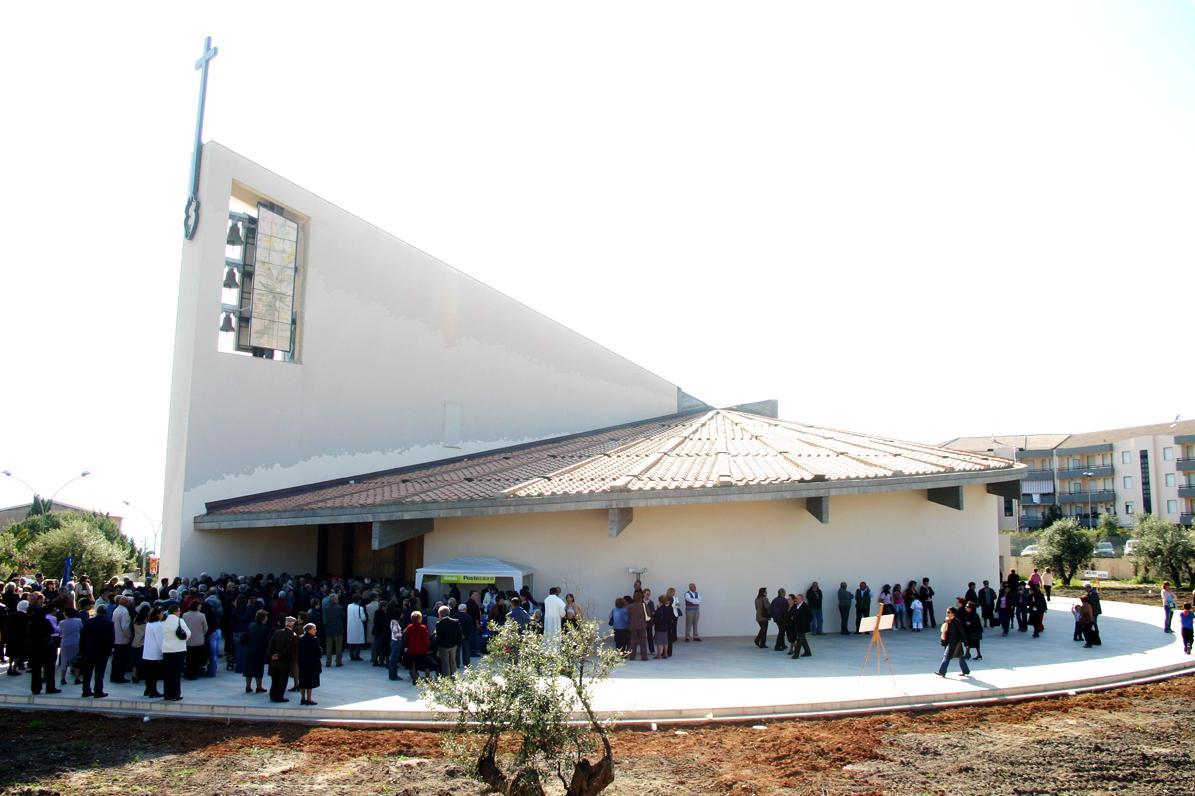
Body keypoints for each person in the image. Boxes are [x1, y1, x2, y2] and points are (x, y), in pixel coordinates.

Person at [79, 604, 115, 698]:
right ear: (105, 613)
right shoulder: (109, 624)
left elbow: (82, 637)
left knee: (87, 672)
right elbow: (111, 639)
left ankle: (86, 690)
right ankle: (98, 691)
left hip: (89, 650)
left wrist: (81, 650)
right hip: (102, 651)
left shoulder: (88, 622)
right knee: (99, 672)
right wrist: (109, 651)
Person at [161, 601, 191, 701]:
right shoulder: (180, 621)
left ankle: (167, 694)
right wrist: (183, 641)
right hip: (179, 649)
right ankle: (175, 694)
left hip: (166, 649)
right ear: (174, 612)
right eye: (179, 611)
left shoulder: (163, 622)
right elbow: (188, 633)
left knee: (167, 672)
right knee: (176, 673)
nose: (180, 612)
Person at [267, 616, 297, 702]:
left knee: (274, 680)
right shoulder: (292, 634)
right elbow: (288, 649)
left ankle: (272, 696)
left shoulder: (277, 632)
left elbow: (270, 645)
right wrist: (279, 655)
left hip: (274, 661)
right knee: (282, 680)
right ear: (292, 625)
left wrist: (272, 655)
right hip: (284, 661)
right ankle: (279, 697)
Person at [936, 607, 971, 678]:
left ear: (953, 613)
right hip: (950, 642)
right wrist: (943, 641)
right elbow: (945, 632)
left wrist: (966, 643)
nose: (947, 613)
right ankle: (966, 671)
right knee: (960, 657)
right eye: (947, 612)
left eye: (949, 612)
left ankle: (942, 672)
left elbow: (962, 633)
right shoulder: (947, 621)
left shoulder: (956, 621)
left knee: (946, 657)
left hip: (955, 642)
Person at [244, 609, 271, 694]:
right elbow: (266, 641)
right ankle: (259, 687)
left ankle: (248, 686)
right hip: (259, 651)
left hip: (249, 649)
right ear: (263, 618)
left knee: (248, 669)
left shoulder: (251, 625)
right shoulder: (265, 629)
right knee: (258, 669)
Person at [141, 605, 165, 698]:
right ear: (157, 614)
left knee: (148, 673)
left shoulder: (149, 624)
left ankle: (148, 689)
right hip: (155, 653)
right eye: (161, 613)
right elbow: (160, 640)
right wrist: (164, 651)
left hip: (147, 652)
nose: (163, 615)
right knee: (154, 674)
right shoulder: (158, 625)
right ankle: (153, 691)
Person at [403, 611, 433, 685]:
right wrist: (428, 648)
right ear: (419, 618)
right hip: (422, 650)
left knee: (413, 665)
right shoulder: (423, 627)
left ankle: (415, 680)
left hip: (412, 650)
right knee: (426, 664)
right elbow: (425, 640)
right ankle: (428, 678)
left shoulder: (409, 627)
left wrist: (406, 646)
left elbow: (404, 635)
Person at [296, 622, 322, 706]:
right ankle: (309, 699)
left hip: (302, 663)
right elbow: (318, 652)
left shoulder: (300, 638)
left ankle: (303, 698)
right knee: (310, 682)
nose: (316, 631)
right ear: (309, 630)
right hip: (312, 663)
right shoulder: (313, 639)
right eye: (314, 629)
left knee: (303, 681)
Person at [183, 601, 208, 680]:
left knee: (189, 657)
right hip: (198, 640)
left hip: (188, 639)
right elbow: (205, 628)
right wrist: (202, 633)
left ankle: (188, 672)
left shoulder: (185, 615)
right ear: (197, 606)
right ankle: (195, 673)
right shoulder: (202, 615)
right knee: (196, 657)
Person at [110, 596, 133, 684]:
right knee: (122, 659)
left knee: (116, 659)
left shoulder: (116, 610)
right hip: (123, 639)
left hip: (116, 637)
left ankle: (114, 675)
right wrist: (129, 636)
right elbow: (125, 627)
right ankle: (119, 677)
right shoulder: (124, 612)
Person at [57, 608, 83, 687]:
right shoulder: (79, 621)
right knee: (75, 660)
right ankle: (77, 678)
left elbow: (60, 633)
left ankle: (63, 678)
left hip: (65, 642)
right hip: (76, 642)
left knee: (64, 660)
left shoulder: (62, 622)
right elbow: (81, 629)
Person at [434, 605, 461, 677]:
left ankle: (447, 678)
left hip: (443, 646)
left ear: (440, 614)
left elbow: (438, 637)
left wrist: (438, 646)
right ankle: (454, 677)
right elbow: (459, 634)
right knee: (453, 661)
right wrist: (457, 643)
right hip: (453, 645)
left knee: (445, 663)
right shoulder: (456, 621)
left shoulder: (439, 623)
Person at [323, 594, 346, 667]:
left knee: (328, 647)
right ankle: (338, 662)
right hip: (338, 629)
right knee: (338, 647)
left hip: (329, 629)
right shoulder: (339, 608)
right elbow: (343, 617)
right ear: (335, 600)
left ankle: (328, 662)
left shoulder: (326, 608)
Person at [788, 593, 813, 659]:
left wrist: (805, 622)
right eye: (796, 598)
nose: (796, 599)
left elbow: (810, 616)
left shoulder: (805, 606)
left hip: (802, 626)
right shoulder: (796, 606)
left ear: (801, 599)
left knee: (799, 640)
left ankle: (796, 654)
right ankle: (808, 652)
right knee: (803, 639)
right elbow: (794, 614)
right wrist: (793, 617)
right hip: (798, 625)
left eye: (797, 598)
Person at [627, 590, 650, 661]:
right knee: (643, 642)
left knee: (633, 641)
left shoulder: (630, 606)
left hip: (633, 625)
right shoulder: (644, 605)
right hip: (642, 625)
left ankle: (632, 657)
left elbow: (628, 616)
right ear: (641, 598)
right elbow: (648, 615)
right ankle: (644, 657)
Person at [346, 596, 367, 661]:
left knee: (351, 641)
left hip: (350, 625)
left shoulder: (349, 606)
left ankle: (352, 656)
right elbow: (363, 618)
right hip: (358, 626)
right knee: (358, 642)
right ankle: (357, 656)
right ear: (359, 601)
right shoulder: (360, 608)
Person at [388, 605, 405, 681]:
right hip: (396, 642)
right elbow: (396, 633)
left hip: (394, 641)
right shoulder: (395, 623)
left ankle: (393, 675)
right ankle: (393, 675)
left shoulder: (394, 621)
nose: (402, 615)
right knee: (394, 659)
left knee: (393, 659)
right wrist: (402, 634)